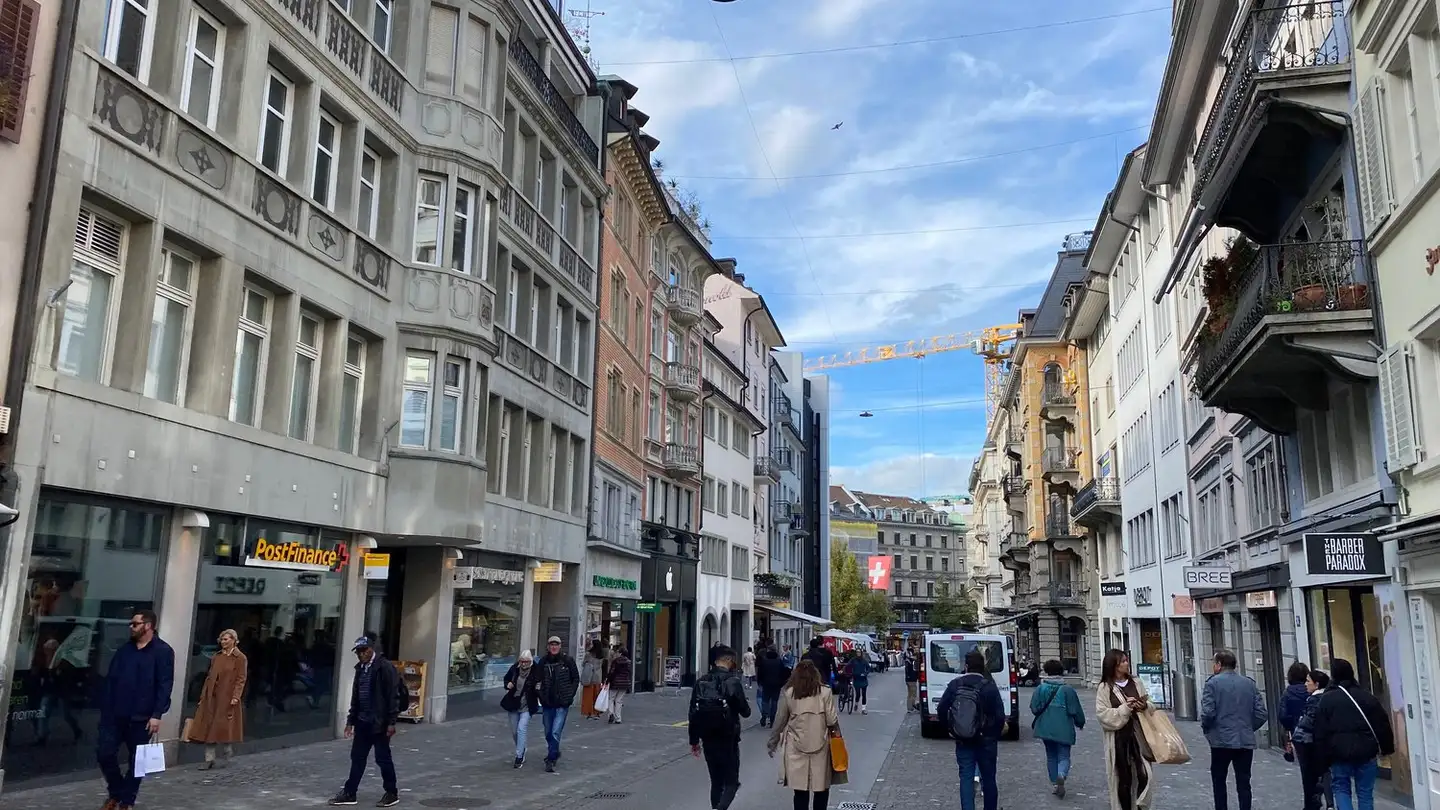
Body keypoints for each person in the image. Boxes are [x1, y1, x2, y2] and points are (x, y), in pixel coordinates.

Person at [98, 609, 175, 810]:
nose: (131, 627)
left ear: (148, 626)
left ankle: (127, 801)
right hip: (116, 714)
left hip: (142, 717)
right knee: (104, 753)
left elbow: (164, 684)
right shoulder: (125, 650)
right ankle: (116, 791)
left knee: (138, 762)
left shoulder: (163, 651)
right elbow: (111, 680)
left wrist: (157, 714)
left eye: (135, 624)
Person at [1313, 658, 1395, 810]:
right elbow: (1382, 724)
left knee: (1341, 788)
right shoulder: (1366, 697)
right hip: (1366, 752)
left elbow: (1320, 732)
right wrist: (1386, 749)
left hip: (1339, 753)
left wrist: (1322, 759)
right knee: (1365, 793)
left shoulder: (1327, 700)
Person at [329, 638, 402, 807]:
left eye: (364, 650)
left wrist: (391, 722)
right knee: (357, 757)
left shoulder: (384, 667)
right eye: (358, 651)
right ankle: (350, 792)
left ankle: (391, 792)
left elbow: (393, 696)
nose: (361, 654)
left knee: (382, 758)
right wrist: (350, 721)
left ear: (371, 649)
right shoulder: (360, 669)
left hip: (380, 722)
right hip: (363, 721)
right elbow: (356, 697)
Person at [937, 649, 1006, 810]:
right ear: (983, 667)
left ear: (966, 666)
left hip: (964, 739)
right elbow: (1000, 715)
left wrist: (950, 728)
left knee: (966, 778)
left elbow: (941, 708)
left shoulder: (956, 684)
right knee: (989, 779)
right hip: (987, 740)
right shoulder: (989, 687)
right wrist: (994, 734)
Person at [767, 660, 841, 810]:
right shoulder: (825, 692)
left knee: (800, 790)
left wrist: (772, 742)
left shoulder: (790, 693)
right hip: (820, 744)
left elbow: (780, 720)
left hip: (796, 746)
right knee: (821, 788)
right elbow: (832, 719)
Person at [1201, 650, 1268, 810]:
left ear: (1218, 665)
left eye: (1214, 663)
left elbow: (1208, 713)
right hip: (1244, 739)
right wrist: (1248, 727)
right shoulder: (1249, 683)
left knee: (1219, 780)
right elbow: (1261, 713)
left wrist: (1208, 729)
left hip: (1220, 740)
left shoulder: (1212, 684)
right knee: (1244, 781)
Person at [689, 645, 751, 810]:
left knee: (716, 781)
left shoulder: (701, 682)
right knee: (731, 781)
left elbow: (693, 713)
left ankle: (716, 806)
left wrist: (694, 740)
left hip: (708, 736)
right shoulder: (732, 682)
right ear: (728, 660)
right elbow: (745, 712)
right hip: (728, 736)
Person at [1096, 649, 1153, 810]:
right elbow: (1103, 715)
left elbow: (1151, 706)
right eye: (1123, 661)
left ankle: (1141, 806)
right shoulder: (1105, 688)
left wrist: (1144, 705)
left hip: (1139, 735)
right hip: (1119, 738)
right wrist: (1124, 709)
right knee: (1123, 778)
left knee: (1145, 775)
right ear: (1114, 665)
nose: (1127, 663)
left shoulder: (1136, 682)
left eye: (1127, 660)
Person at [188, 628, 248, 770]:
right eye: (222, 639)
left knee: (224, 727)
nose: (223, 642)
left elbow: (241, 679)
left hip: (227, 698)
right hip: (212, 697)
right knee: (209, 727)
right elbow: (209, 678)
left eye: (226, 639)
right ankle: (209, 759)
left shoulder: (240, 658)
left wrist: (235, 696)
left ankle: (227, 751)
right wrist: (203, 696)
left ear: (233, 640)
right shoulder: (217, 657)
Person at [1030, 659, 1086, 798]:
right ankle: (1062, 774)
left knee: (1051, 755)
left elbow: (1034, 708)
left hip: (1045, 728)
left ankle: (1055, 783)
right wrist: (1080, 722)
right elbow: (1075, 710)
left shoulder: (1040, 689)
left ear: (1046, 671)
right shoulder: (1067, 690)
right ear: (1062, 672)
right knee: (1064, 755)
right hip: (1064, 728)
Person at [537, 635, 580, 773]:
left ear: (560, 646)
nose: (554, 647)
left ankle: (551, 759)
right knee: (548, 731)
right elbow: (537, 681)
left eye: (556, 644)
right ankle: (554, 751)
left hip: (562, 702)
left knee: (556, 731)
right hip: (547, 702)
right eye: (551, 645)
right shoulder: (543, 662)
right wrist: (541, 696)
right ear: (548, 647)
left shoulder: (567, 661)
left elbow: (575, 678)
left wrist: (569, 695)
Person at [1293, 669, 1333, 810]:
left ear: (1316, 684)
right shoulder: (1324, 697)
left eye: (1308, 681)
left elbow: (1309, 722)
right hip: (1316, 742)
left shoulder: (1316, 699)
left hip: (1309, 742)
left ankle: (1313, 804)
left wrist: (1300, 724)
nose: (1305, 684)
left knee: (1310, 776)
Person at [500, 649, 540, 768]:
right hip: (514, 703)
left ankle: (519, 755)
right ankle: (522, 747)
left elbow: (539, 684)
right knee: (514, 731)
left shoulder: (535, 671)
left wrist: (539, 691)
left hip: (527, 704)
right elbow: (506, 679)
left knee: (521, 728)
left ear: (530, 662)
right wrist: (508, 685)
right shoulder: (514, 669)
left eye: (526, 662)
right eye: (522, 661)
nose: (524, 664)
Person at [1281, 661, 1312, 765]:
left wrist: (1289, 727)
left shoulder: (1288, 692)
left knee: (1303, 763)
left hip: (1297, 732)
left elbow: (1283, 715)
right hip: (1313, 731)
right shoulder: (1310, 691)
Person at [755, 646, 791, 728]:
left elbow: (760, 673)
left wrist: (760, 682)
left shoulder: (764, 661)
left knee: (765, 700)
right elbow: (784, 673)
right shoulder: (779, 662)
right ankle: (772, 719)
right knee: (774, 701)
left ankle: (764, 714)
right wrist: (782, 683)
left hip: (766, 684)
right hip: (776, 685)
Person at [604, 646, 632, 724]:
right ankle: (618, 718)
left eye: (618, 652)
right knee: (619, 700)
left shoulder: (616, 661)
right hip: (624, 683)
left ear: (620, 653)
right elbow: (629, 673)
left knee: (611, 698)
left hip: (615, 682)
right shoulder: (628, 662)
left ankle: (611, 714)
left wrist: (607, 681)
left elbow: (612, 672)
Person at [580, 640, 607, 719]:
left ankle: (589, 712)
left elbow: (583, 664)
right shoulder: (601, 655)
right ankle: (596, 712)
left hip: (590, 678)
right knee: (596, 696)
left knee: (588, 696)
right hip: (598, 677)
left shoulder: (588, 654)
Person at [904, 646, 920, 712]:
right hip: (912, 680)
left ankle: (909, 708)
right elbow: (914, 670)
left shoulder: (907, 661)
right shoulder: (911, 661)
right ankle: (912, 707)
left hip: (908, 679)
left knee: (910, 694)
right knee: (913, 694)